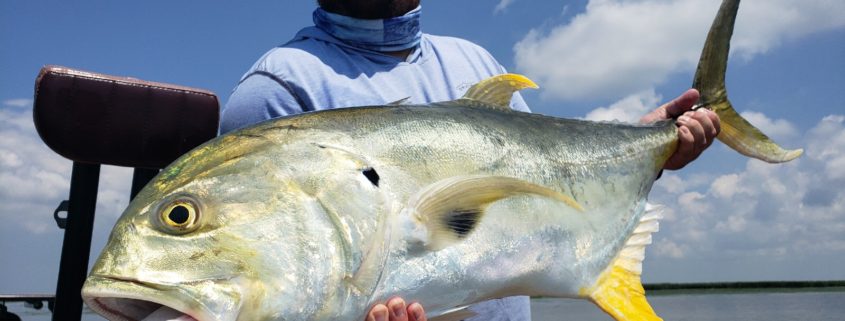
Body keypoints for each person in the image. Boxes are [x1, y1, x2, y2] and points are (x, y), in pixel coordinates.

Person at [220, 1, 720, 320]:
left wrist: (651, 148)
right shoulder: (279, 88)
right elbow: (258, 279)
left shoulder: (473, 61)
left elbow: (553, 176)